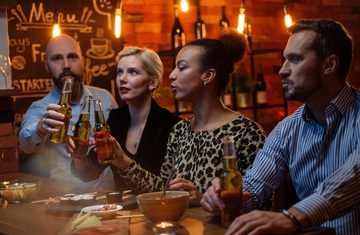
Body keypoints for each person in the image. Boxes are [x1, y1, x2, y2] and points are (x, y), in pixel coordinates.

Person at [201, 19, 360, 235]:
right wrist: (227, 197)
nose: (282, 69)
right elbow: (254, 188)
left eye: (295, 59)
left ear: (329, 64)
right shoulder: (287, 129)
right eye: (285, 59)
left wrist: (293, 217)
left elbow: (352, 178)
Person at [106, 29, 266, 206]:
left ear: (208, 75)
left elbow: (259, 202)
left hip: (224, 233)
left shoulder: (247, 132)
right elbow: (162, 191)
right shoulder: (180, 130)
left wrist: (201, 199)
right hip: (184, 232)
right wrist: (123, 161)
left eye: (181, 67)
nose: (172, 74)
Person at [69, 46, 181, 189]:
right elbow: (89, 173)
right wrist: (80, 157)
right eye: (119, 72)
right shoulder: (116, 118)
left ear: (152, 82)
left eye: (133, 72)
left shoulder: (171, 125)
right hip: (120, 209)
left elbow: (171, 189)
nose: (122, 78)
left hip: (158, 208)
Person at [19, 34, 117, 193]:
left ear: (83, 62)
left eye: (72, 57)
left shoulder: (104, 98)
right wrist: (40, 127)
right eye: (57, 59)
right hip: (66, 198)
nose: (66, 65)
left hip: (111, 197)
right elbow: (25, 143)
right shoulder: (41, 108)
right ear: (47, 66)